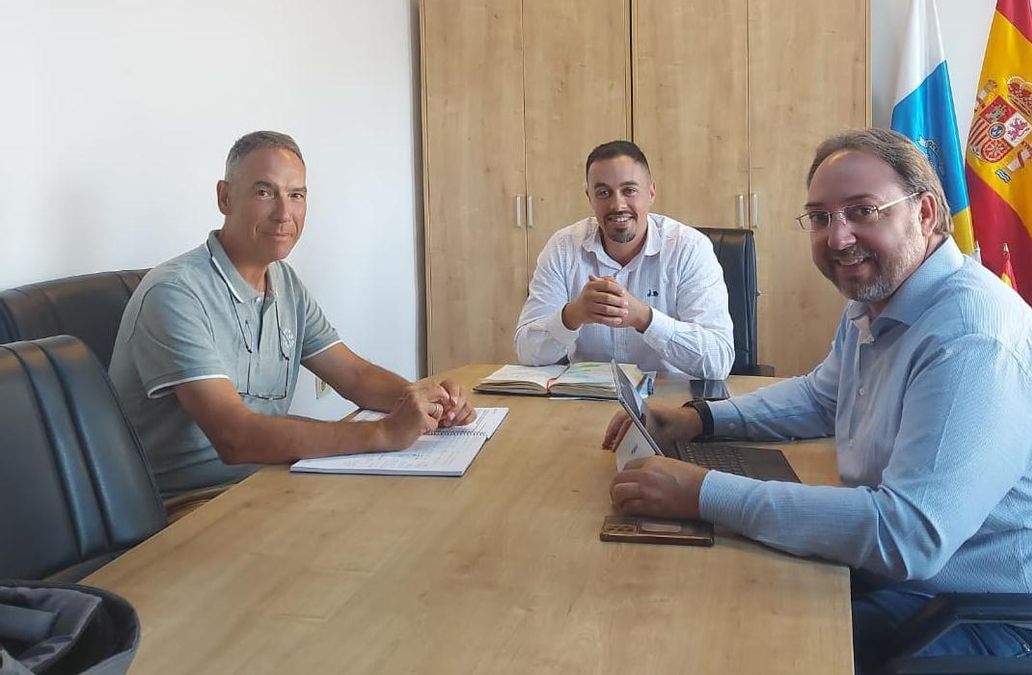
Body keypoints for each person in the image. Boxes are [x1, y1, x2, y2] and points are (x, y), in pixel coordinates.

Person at [602, 128, 1032, 669]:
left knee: (737, 646)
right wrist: (697, 420)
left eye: (863, 211)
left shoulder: (972, 339)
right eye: (820, 217)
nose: (838, 237)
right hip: (922, 585)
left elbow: (906, 534)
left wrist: (704, 493)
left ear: (925, 213)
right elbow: (823, 397)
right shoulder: (880, 299)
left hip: (1000, 621)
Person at [109, 131, 475, 496]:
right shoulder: (176, 293)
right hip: (192, 504)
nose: (284, 213)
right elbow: (234, 436)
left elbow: (355, 375)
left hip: (268, 480)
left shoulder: (283, 281)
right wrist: (382, 433)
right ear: (225, 197)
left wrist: (427, 402)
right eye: (264, 192)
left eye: (296, 195)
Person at [514, 140, 734, 379]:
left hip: (671, 404)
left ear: (651, 193)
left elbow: (718, 360)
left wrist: (644, 318)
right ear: (590, 197)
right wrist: (572, 315)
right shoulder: (563, 247)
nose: (617, 205)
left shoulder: (689, 248)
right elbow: (527, 351)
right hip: (585, 399)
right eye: (603, 193)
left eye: (629, 190)